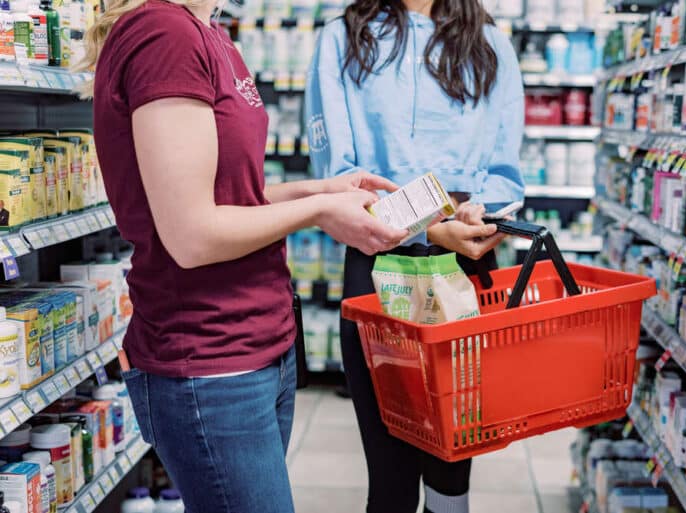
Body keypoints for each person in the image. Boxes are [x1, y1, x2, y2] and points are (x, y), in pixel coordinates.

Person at [80, 0, 407, 511]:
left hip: (258, 347)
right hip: (210, 358)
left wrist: (319, 190)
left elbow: (227, 197)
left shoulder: (206, 30)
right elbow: (193, 236)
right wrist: (320, 210)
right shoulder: (164, 33)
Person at [306, 1, 525, 512]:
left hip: (465, 265)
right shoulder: (343, 37)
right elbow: (338, 175)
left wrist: (478, 215)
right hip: (377, 261)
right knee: (390, 468)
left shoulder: (490, 44)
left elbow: (503, 170)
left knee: (454, 464)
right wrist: (432, 226)